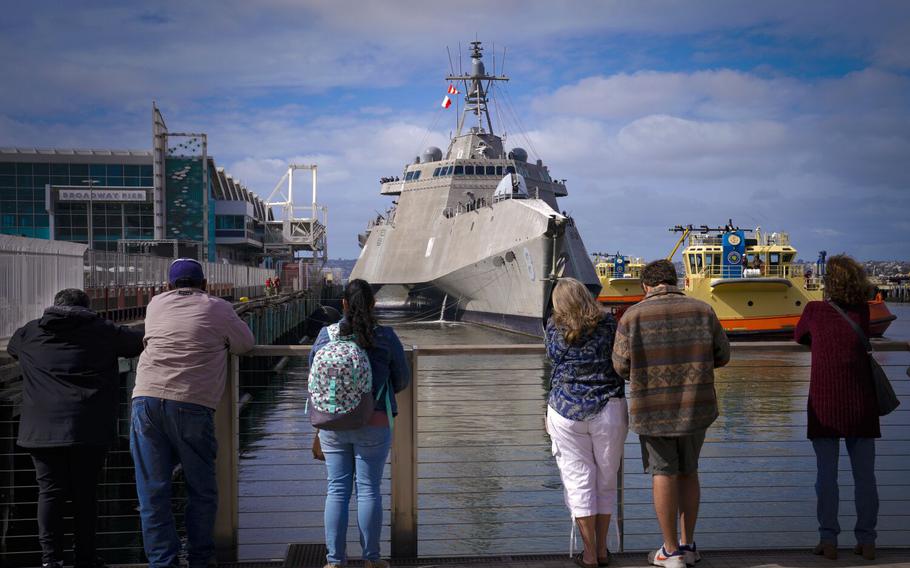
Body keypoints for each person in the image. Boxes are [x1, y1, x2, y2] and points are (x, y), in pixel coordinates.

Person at [131, 258, 255, 568]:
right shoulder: (218, 308)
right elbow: (245, 344)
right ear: (205, 285)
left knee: (152, 491)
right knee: (200, 489)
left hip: (145, 400)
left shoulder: (155, 305)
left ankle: (162, 562)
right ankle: (201, 559)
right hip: (190, 403)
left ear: (168, 286)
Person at [8, 288, 143, 568]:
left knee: (49, 492)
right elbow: (136, 343)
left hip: (41, 429)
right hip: (88, 426)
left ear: (53, 306)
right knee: (86, 494)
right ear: (87, 307)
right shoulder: (103, 330)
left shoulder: (29, 332)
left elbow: (12, 348)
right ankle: (85, 557)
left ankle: (50, 559)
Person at [612, 260, 729, 568]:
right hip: (696, 407)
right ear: (675, 281)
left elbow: (621, 366)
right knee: (689, 471)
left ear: (645, 286)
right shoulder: (703, 310)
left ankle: (670, 551)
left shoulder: (632, 316)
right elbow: (723, 354)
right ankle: (689, 545)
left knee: (663, 472)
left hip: (653, 410)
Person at [308, 279, 410, 568]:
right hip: (374, 420)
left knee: (337, 490)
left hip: (331, 422)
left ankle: (334, 561)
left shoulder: (325, 335)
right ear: (373, 304)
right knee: (369, 490)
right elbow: (401, 379)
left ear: (342, 303)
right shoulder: (386, 336)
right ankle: (372, 560)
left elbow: (312, 374)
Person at [794, 254, 880, 561]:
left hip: (825, 404)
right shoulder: (862, 312)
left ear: (828, 282)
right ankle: (867, 541)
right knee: (865, 478)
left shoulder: (814, 310)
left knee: (826, 477)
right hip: (861, 403)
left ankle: (828, 540)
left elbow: (799, 335)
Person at [544, 278, 628, 568]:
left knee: (579, 482)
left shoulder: (554, 329)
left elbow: (553, 358)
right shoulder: (609, 326)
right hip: (608, 408)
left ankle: (590, 554)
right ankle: (603, 550)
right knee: (606, 480)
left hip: (565, 410)